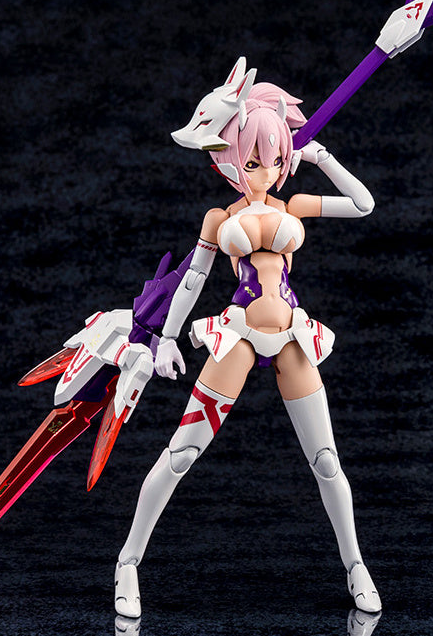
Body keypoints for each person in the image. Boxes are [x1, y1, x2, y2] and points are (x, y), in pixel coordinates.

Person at [114, 59, 381, 617]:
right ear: (229, 158)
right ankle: (128, 562)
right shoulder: (219, 218)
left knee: (326, 460)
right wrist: (167, 339)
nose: (265, 170)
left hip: (291, 337)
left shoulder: (294, 205)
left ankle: (356, 566)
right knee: (182, 453)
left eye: (275, 157)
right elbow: (192, 282)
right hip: (235, 337)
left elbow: (364, 204)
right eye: (253, 159)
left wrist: (321, 158)